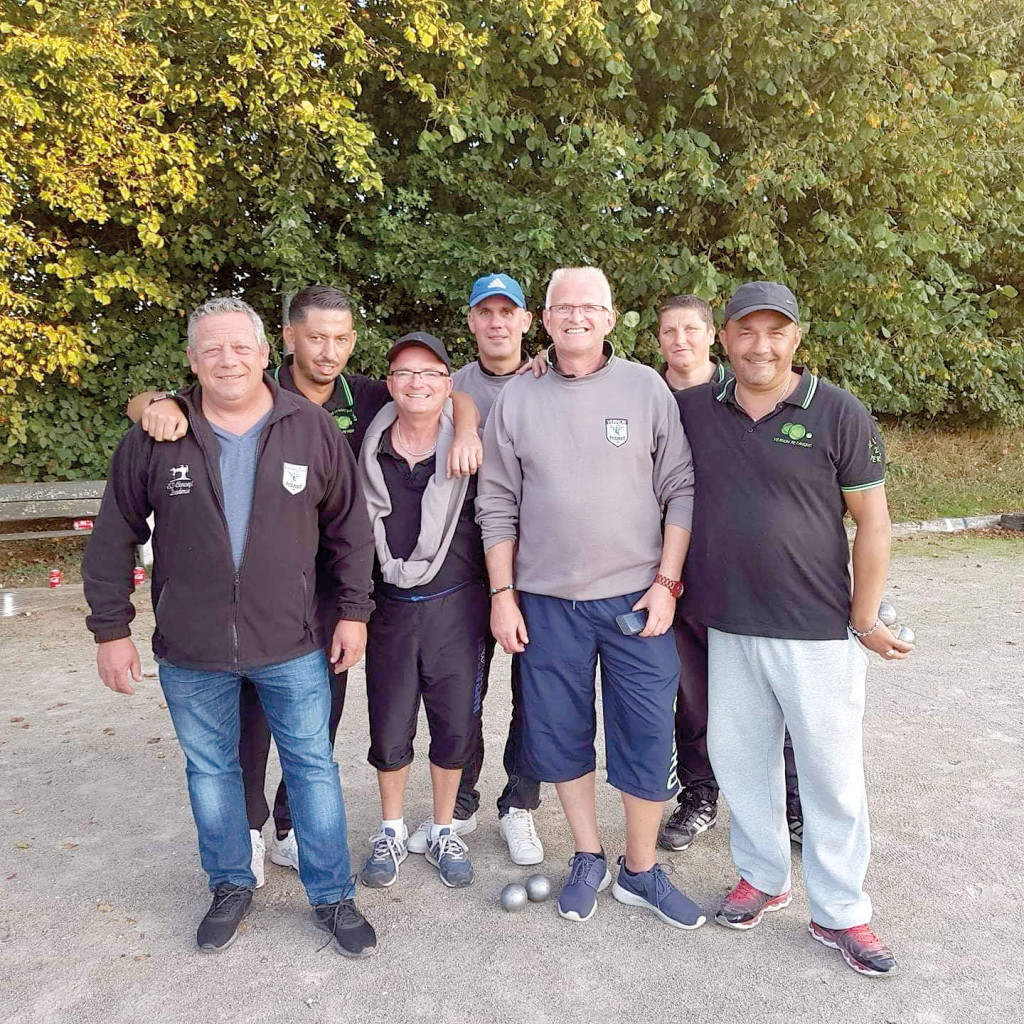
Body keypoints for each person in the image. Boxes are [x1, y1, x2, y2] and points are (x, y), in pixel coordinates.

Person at [125, 286, 481, 883]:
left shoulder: (366, 394)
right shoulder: (253, 386)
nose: (329, 351)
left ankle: (290, 828)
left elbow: (446, 394)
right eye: (316, 337)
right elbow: (159, 403)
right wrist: (152, 403)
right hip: (255, 583)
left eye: (342, 339)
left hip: (334, 587)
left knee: (317, 720)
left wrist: (466, 427)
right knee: (247, 722)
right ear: (285, 341)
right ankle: (249, 832)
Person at [84, 297, 378, 956]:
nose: (228, 360)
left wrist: (354, 612)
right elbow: (111, 540)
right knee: (211, 771)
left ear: (266, 353)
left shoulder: (310, 428)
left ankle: (332, 896)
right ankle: (229, 885)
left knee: (312, 770)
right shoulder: (156, 437)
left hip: (293, 642)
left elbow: (351, 532)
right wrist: (110, 630)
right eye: (211, 349)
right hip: (192, 650)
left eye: (240, 347)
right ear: (191, 362)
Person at [677, 280, 912, 977]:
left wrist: (863, 618)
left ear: (796, 338)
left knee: (831, 779)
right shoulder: (697, 409)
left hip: (817, 630)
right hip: (729, 625)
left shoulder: (837, 411)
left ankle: (843, 912)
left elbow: (873, 520)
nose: (760, 345)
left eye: (775, 331)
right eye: (746, 332)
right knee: (742, 763)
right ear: (725, 340)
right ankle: (764, 878)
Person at [477, 266, 705, 929]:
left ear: (610, 318)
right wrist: (502, 595)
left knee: (644, 733)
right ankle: (587, 856)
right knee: (561, 737)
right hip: (546, 603)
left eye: (589, 306)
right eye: (562, 306)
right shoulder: (516, 400)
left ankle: (640, 871)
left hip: (636, 601)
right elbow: (495, 505)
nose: (575, 316)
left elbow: (680, 489)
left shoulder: (644, 389)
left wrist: (666, 583)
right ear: (544, 320)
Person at [404, 272, 545, 867]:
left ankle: (520, 805)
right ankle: (458, 801)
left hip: (540, 560)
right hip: (466, 559)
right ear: (470, 321)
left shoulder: (551, 377)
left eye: (506, 312)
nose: (496, 322)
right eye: (484, 312)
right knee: (465, 691)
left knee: (535, 693)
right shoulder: (448, 384)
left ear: (525, 320)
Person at [654, 295, 803, 853]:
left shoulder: (742, 388)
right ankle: (700, 795)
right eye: (669, 330)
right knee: (693, 697)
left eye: (690, 327)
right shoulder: (648, 395)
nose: (680, 339)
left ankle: (794, 807)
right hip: (681, 573)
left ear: (712, 334)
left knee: (777, 696)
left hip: (756, 577)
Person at [357, 332, 489, 890]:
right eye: (405, 373)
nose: (417, 383)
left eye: (431, 373)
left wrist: (467, 424)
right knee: (389, 724)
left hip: (458, 609)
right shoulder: (365, 444)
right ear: (390, 383)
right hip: (388, 608)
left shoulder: (469, 449)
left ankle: (441, 830)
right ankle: (389, 830)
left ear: (448, 384)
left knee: (454, 724)